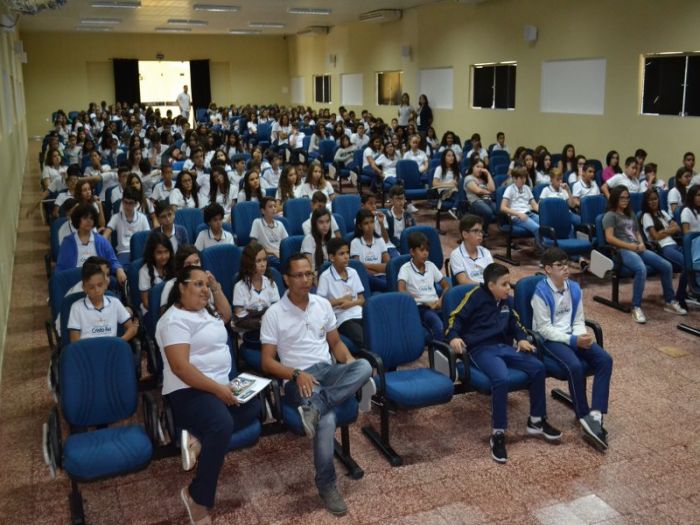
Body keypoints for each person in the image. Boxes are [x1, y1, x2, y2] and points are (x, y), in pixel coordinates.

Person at [260, 254, 372, 516]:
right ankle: (326, 484)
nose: (305, 280)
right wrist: (296, 373)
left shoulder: (322, 304)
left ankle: (317, 405)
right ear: (286, 279)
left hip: (327, 370)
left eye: (309, 274)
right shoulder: (274, 314)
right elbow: (266, 362)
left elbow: (336, 344)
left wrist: (349, 364)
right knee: (327, 420)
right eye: (299, 275)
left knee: (364, 367)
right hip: (297, 377)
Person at [157, 266, 260, 525]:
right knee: (221, 424)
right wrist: (218, 390)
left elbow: (227, 315)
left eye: (206, 285)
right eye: (198, 284)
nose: (204, 290)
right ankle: (197, 497)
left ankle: (198, 439)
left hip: (219, 386)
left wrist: (216, 288)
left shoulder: (206, 310)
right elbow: (180, 368)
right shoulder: (173, 320)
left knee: (254, 406)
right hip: (188, 391)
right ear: (181, 287)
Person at [446, 263, 562, 463]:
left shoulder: (507, 300)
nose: (509, 288)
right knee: (501, 378)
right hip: (480, 349)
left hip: (503, 347)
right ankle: (498, 433)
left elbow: (515, 323)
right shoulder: (474, 297)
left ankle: (536, 421)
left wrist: (522, 339)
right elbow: (454, 318)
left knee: (538, 367)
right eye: (504, 284)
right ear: (491, 285)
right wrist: (454, 337)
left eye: (509, 283)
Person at [530, 248, 613, 450]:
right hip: (550, 340)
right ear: (548, 269)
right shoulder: (540, 293)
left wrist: (580, 336)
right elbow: (544, 329)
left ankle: (596, 413)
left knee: (605, 360)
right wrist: (573, 340)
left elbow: (577, 319)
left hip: (572, 336)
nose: (565, 268)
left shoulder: (574, 288)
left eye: (566, 264)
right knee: (574, 365)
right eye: (559, 265)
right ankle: (583, 413)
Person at [602, 186, 687, 323]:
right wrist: (631, 246)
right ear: (615, 198)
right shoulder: (610, 216)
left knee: (666, 266)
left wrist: (641, 244)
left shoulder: (631, 214)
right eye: (622, 197)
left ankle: (670, 301)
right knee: (641, 269)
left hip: (637, 247)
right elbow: (609, 238)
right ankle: (636, 307)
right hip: (622, 250)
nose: (625, 200)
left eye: (627, 197)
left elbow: (636, 233)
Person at [56, 202, 127, 284]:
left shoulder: (101, 241)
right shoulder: (68, 242)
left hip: (99, 281)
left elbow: (112, 260)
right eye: (85, 218)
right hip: (76, 282)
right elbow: (60, 268)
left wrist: (119, 270)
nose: (89, 221)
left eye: (91, 218)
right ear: (78, 219)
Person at [67, 262, 137, 342]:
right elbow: (74, 340)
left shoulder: (115, 303)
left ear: (105, 284)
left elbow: (131, 328)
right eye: (91, 287)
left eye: (100, 285)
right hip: (88, 349)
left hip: (112, 347)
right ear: (84, 288)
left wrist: (119, 342)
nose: (97, 290)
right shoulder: (76, 308)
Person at [398, 231, 449, 341]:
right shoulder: (405, 269)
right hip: (420, 308)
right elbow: (401, 291)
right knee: (438, 325)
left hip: (436, 304)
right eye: (421, 250)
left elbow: (446, 286)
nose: (425, 253)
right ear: (412, 252)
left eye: (427, 250)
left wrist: (441, 300)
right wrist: (425, 302)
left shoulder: (431, 266)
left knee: (453, 319)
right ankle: (439, 350)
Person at [641, 190, 687, 309]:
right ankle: (680, 296)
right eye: (650, 200)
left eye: (655, 199)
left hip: (674, 244)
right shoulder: (646, 216)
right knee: (687, 265)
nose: (653, 202)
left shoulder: (662, 213)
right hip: (664, 248)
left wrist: (664, 231)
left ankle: (686, 293)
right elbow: (655, 236)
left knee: (692, 263)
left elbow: (677, 228)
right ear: (646, 202)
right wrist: (670, 230)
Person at [316, 238, 365, 350]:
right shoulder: (325, 277)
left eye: (347, 252)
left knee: (377, 333)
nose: (346, 256)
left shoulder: (353, 272)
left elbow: (362, 299)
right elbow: (320, 305)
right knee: (362, 338)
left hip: (360, 313)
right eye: (341, 254)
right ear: (332, 257)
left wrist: (350, 303)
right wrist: (340, 300)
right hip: (342, 318)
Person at [232, 242, 280, 340]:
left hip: (270, 330)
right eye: (258, 261)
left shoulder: (271, 283)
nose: (263, 264)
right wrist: (260, 320)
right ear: (249, 263)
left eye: (264, 260)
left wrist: (253, 314)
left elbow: (277, 311)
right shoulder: (240, 287)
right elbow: (240, 319)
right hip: (249, 333)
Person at [102, 187, 151, 264]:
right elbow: (105, 236)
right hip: (123, 252)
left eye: (130, 203)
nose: (127, 206)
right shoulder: (116, 217)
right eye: (125, 202)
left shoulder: (143, 218)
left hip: (140, 252)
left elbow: (148, 239)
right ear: (122, 201)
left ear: (136, 204)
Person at [351, 209, 389, 293]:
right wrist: (378, 268)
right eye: (366, 223)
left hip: (382, 277)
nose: (370, 226)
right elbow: (358, 269)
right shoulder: (355, 242)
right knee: (367, 277)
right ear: (360, 226)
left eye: (372, 222)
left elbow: (388, 266)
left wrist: (366, 265)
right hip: (366, 279)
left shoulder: (380, 240)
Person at [449, 214, 493, 285]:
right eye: (475, 231)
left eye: (481, 231)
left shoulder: (485, 252)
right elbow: (463, 281)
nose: (480, 234)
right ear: (465, 234)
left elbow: (492, 276)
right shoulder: (456, 254)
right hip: (470, 290)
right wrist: (485, 286)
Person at [139, 232, 175, 315]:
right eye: (159, 253)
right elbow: (146, 303)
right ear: (151, 253)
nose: (163, 256)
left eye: (166, 252)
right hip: (151, 311)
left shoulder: (173, 266)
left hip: (170, 309)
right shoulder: (144, 272)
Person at [500, 167, 540, 243]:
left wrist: (544, 214)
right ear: (514, 179)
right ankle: (541, 248)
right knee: (537, 228)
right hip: (517, 217)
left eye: (524, 178)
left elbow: (534, 205)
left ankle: (549, 244)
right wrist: (518, 214)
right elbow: (503, 207)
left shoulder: (527, 188)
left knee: (546, 223)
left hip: (529, 214)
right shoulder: (509, 189)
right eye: (521, 178)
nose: (523, 180)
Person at [249, 196, 288, 267]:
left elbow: (286, 243)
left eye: (275, 206)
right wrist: (271, 252)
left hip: (281, 255)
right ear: (263, 211)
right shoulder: (257, 222)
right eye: (270, 207)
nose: (273, 208)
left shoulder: (280, 224)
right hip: (268, 256)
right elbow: (253, 245)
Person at [464, 156, 497, 228]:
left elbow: (492, 189)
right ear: (472, 167)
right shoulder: (468, 178)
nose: (480, 169)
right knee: (488, 212)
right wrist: (488, 192)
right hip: (475, 201)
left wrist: (488, 174)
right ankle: (483, 230)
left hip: (488, 200)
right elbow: (478, 191)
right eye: (477, 167)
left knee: (499, 209)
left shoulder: (483, 179)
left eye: (482, 167)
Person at [301, 208, 333, 274]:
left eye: (327, 221)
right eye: (321, 222)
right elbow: (308, 269)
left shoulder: (331, 238)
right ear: (314, 224)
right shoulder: (309, 240)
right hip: (314, 276)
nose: (325, 225)